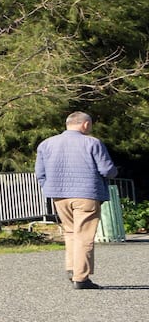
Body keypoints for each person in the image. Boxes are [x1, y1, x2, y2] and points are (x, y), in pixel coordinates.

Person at [35, 111, 120, 290]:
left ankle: (72, 267)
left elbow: (40, 174)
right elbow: (107, 170)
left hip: (59, 195)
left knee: (71, 232)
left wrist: (49, 188)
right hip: (87, 194)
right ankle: (81, 277)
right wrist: (114, 172)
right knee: (84, 235)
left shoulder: (46, 144)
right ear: (85, 125)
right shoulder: (92, 142)